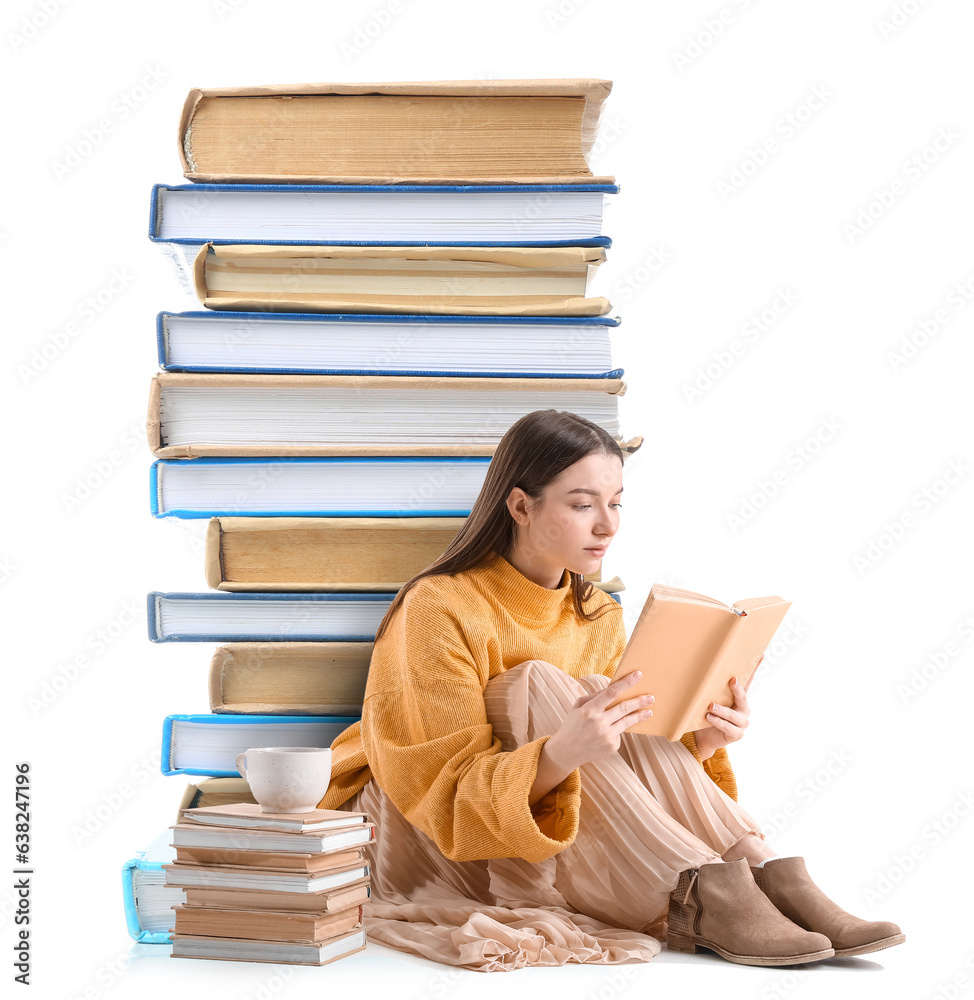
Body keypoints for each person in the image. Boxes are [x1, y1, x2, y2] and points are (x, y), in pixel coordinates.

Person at [318, 409, 904, 972]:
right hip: (418, 828)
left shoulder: (597, 612)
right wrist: (561, 752)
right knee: (540, 684)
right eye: (582, 504)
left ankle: (760, 868)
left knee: (607, 693)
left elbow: (611, 772)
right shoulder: (439, 606)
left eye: (616, 503)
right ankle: (698, 889)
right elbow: (435, 787)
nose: (608, 525)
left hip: (537, 828)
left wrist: (695, 743)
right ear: (521, 505)